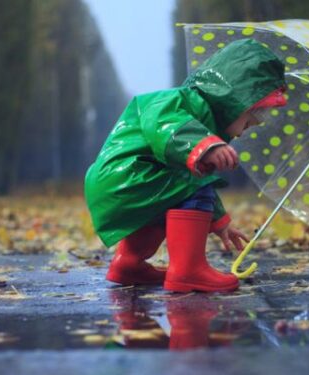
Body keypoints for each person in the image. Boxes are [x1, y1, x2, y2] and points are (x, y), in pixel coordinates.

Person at [84, 38, 287, 292]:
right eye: (257, 112)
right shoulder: (182, 102)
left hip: (128, 181)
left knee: (172, 192)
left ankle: (129, 263)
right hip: (128, 176)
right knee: (191, 178)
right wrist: (205, 145)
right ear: (236, 97)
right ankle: (187, 270)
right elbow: (164, 124)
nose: (259, 121)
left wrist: (220, 221)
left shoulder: (202, 115)